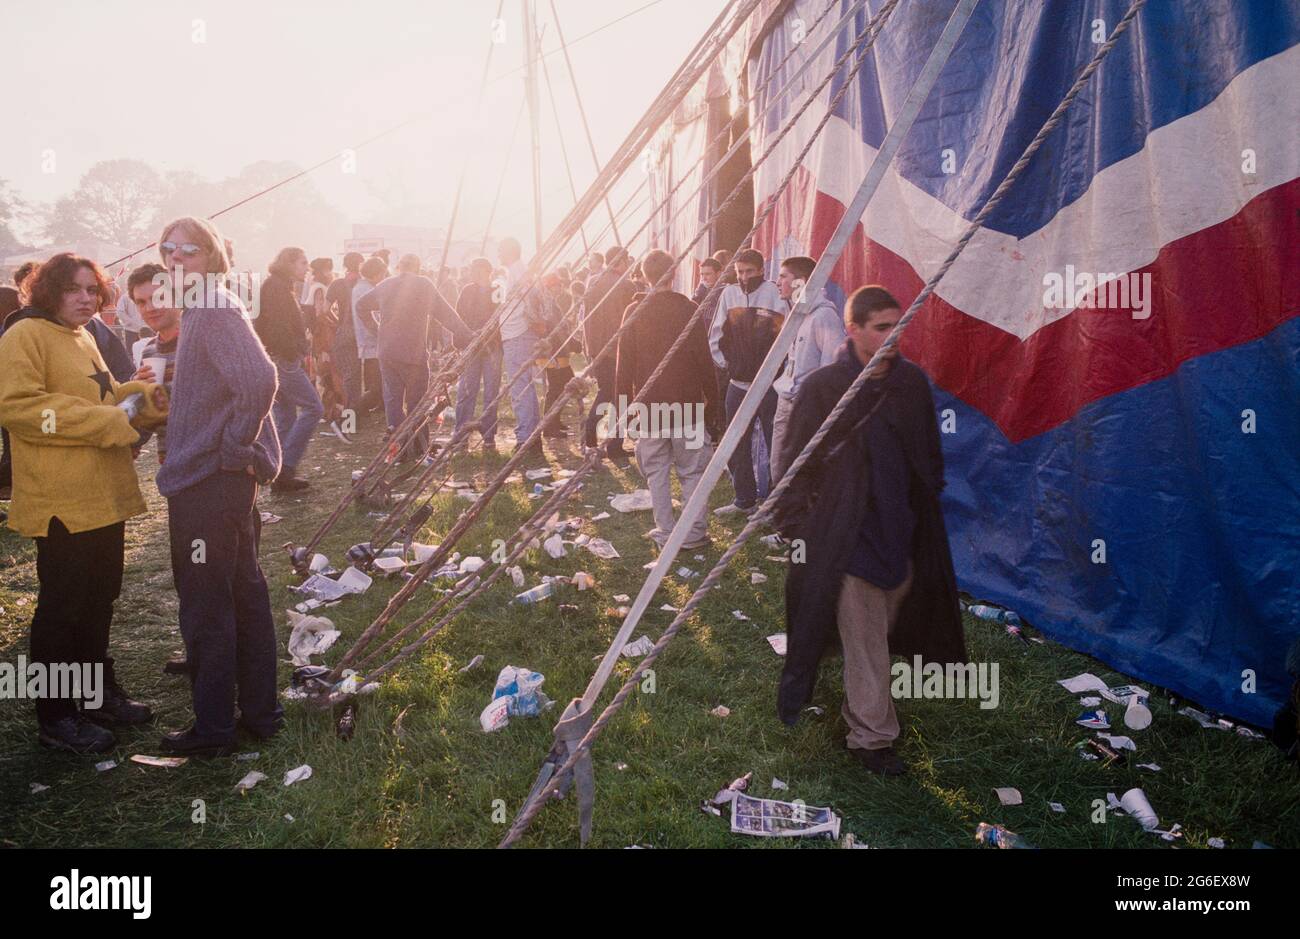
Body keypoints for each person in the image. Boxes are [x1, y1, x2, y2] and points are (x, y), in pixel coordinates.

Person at [772, 286, 966, 775]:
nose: (892, 336)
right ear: (853, 329)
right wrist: (801, 527)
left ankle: (866, 700)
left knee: (885, 624)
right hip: (843, 536)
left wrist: (922, 506)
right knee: (865, 637)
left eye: (898, 326)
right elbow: (795, 463)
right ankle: (871, 736)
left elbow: (929, 457)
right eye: (881, 327)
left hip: (902, 533)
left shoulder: (912, 386)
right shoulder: (822, 388)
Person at [0, 253, 164, 752]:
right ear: (48, 289)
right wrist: (105, 421)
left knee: (99, 600)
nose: (86, 298)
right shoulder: (23, 336)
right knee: (61, 608)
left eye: (93, 290)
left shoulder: (84, 335)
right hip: (61, 500)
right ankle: (56, 716)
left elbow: (105, 395)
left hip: (102, 496)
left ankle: (94, 695)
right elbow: (20, 408)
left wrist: (140, 395)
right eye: (74, 289)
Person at [153, 215, 283, 757]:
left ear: (213, 255)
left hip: (209, 481)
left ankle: (214, 729)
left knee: (208, 606)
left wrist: (234, 448)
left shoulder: (211, 306)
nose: (176, 258)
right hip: (219, 481)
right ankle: (259, 714)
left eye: (190, 249)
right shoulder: (209, 304)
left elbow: (259, 379)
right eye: (168, 249)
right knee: (243, 594)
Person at [614, 249, 718, 550]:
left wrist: (624, 411)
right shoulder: (688, 309)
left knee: (656, 472)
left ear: (644, 275)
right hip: (686, 405)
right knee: (692, 472)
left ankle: (665, 529)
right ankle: (695, 533)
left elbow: (624, 368)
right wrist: (712, 403)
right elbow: (704, 360)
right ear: (674, 274)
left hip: (650, 407)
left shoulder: (634, 311)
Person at [354, 253, 472, 460]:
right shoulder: (423, 285)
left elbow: (360, 306)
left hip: (387, 352)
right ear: (417, 267)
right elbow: (445, 313)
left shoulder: (385, 285)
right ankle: (418, 445)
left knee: (393, 400)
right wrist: (465, 333)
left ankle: (398, 447)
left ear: (400, 267)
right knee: (417, 402)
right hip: (412, 354)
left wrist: (377, 329)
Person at [709, 248, 783, 515]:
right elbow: (716, 334)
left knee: (775, 443)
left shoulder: (775, 294)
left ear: (761, 270)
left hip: (769, 386)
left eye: (749, 271)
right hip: (738, 384)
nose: (743, 277)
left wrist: (779, 372)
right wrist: (729, 365)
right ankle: (744, 500)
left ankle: (775, 505)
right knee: (735, 442)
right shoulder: (729, 294)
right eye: (739, 272)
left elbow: (788, 336)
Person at [770, 255, 844, 483]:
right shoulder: (796, 315)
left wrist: (816, 407)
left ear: (800, 281)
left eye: (783, 276)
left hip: (807, 406)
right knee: (779, 463)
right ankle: (782, 511)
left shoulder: (824, 316)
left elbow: (832, 368)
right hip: (786, 400)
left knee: (804, 469)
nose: (777, 281)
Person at [256, 246, 322, 492]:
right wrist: (294, 351)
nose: (307, 268)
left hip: (277, 357)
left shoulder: (278, 285)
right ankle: (286, 467)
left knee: (285, 418)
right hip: (282, 359)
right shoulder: (276, 287)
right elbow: (277, 328)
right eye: (303, 263)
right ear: (290, 264)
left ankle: (278, 472)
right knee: (314, 407)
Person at [581, 245, 635, 464]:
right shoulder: (625, 285)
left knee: (609, 393)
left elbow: (585, 319)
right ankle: (609, 442)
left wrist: (589, 349)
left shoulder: (592, 282)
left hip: (597, 348)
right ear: (620, 262)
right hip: (618, 348)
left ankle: (599, 439)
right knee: (618, 396)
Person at [495, 236, 546, 459]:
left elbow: (531, 302)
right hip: (520, 333)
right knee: (525, 387)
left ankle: (525, 437)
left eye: (500, 250)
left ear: (509, 251)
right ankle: (531, 435)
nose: (498, 254)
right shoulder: (520, 272)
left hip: (517, 334)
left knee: (520, 389)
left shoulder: (517, 273)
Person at [453, 257, 502, 452]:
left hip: (492, 346)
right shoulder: (467, 291)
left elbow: (501, 317)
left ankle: (488, 434)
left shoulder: (497, 290)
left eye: (476, 270)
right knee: (466, 390)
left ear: (486, 271)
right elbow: (458, 317)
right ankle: (461, 433)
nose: (473, 273)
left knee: (491, 392)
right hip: (471, 346)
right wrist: (460, 342)